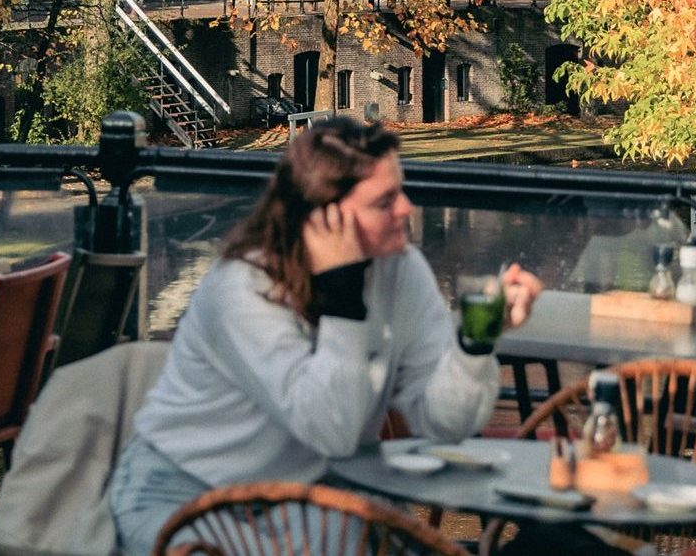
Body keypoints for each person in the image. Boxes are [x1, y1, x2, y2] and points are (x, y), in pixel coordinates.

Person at [108, 117, 543, 556]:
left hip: (311, 493)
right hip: (186, 493)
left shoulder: (401, 270)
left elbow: (444, 424)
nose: (407, 209)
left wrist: (475, 340)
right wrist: (344, 296)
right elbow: (331, 430)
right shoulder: (241, 287)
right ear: (324, 216)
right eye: (384, 200)